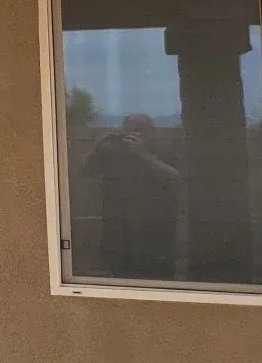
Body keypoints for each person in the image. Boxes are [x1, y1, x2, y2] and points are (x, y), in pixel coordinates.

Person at [79, 113, 184, 280]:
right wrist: (97, 145)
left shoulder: (164, 151)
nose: (134, 135)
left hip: (156, 239)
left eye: (139, 130)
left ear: (152, 131)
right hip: (119, 238)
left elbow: (177, 180)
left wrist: (144, 155)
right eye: (128, 131)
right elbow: (82, 172)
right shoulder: (114, 154)